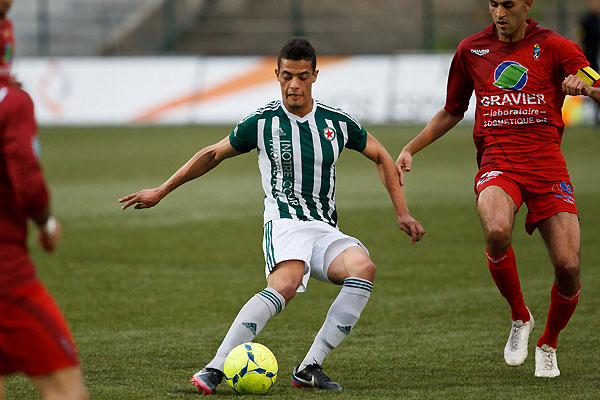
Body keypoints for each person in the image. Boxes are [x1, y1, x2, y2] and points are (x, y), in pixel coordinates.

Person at [120, 37, 425, 394]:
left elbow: (382, 157)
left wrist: (402, 212)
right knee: (286, 283)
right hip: (284, 222)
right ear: (276, 74)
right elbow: (212, 154)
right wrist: (161, 190)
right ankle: (215, 367)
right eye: (286, 76)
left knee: (364, 269)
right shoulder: (262, 122)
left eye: (302, 76)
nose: (293, 84)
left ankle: (310, 367)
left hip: (325, 228)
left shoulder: (336, 122)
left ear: (315, 76)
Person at [396, 0, 600, 378]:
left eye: (507, 4)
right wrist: (411, 147)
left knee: (568, 267)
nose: (499, 12)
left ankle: (548, 342)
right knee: (495, 229)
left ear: (527, 4)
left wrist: (586, 88)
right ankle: (520, 316)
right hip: (498, 163)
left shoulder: (556, 46)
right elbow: (452, 110)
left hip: (547, 167)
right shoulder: (470, 50)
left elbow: (597, 84)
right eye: (493, 4)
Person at [0, 1, 89, 399]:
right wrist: (47, 224)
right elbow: (27, 179)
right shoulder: (11, 101)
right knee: (66, 387)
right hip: (6, 274)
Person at [578, 0, 600, 126]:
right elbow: (580, 38)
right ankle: (591, 115)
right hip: (587, 60)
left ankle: (595, 116)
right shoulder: (586, 20)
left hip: (596, 59)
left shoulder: (597, 20)